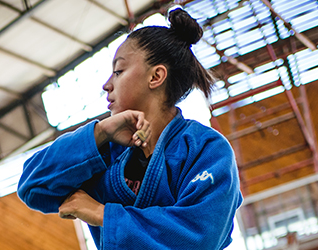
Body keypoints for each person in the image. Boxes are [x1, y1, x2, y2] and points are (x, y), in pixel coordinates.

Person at [17, 8, 243, 250]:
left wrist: (103, 214)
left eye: (118, 71)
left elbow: (199, 237)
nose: (106, 85)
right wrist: (100, 133)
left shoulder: (206, 150)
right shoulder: (104, 152)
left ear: (156, 76)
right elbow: (33, 186)